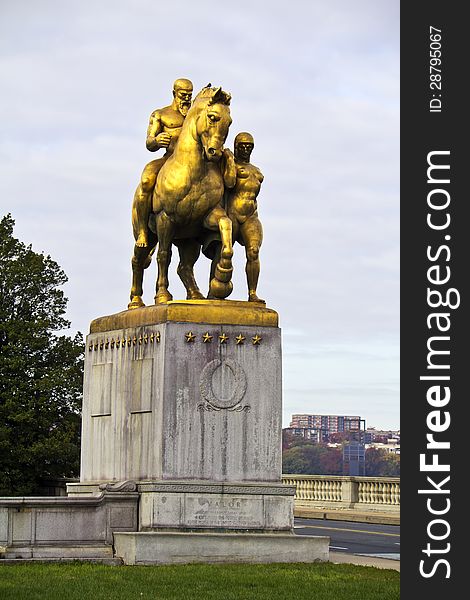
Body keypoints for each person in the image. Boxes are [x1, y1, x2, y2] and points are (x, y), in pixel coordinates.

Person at [131, 78, 193, 247]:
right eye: (183, 95)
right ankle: (143, 230)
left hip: (194, 164)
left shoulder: (195, 114)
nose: (187, 99)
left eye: (189, 95)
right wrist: (157, 140)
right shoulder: (160, 114)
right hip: (168, 159)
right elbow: (149, 142)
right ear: (174, 93)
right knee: (146, 180)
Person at [226, 132, 265, 302]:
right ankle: (216, 290)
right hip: (232, 213)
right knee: (224, 252)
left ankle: (252, 293)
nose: (245, 150)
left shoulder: (256, 171)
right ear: (236, 147)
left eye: (249, 147)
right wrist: (228, 161)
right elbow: (228, 183)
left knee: (254, 252)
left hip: (250, 216)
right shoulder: (231, 164)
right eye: (242, 146)